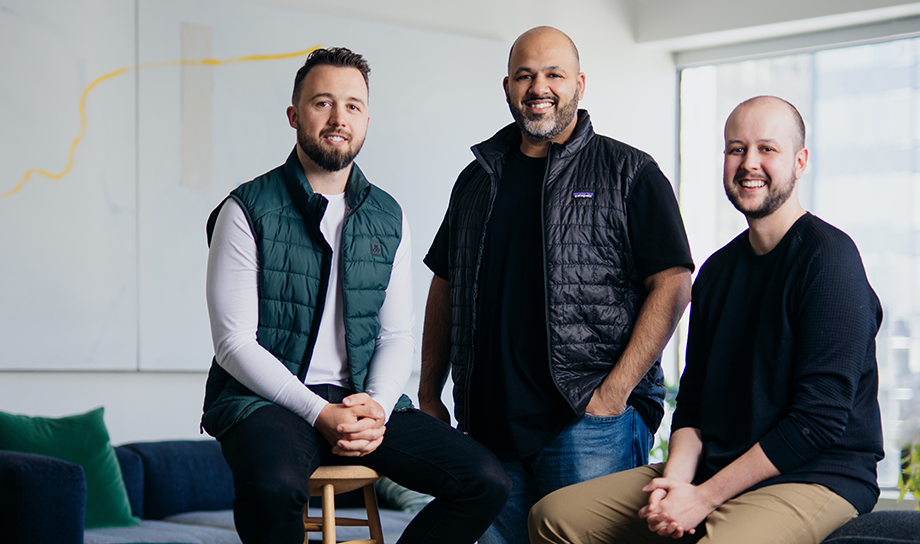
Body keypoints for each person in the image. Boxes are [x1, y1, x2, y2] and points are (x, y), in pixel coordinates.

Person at [529, 96, 884, 544]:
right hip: (717, 466)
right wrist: (676, 484)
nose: (748, 163)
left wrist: (704, 497)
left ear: (800, 161)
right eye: (736, 149)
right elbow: (694, 404)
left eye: (766, 149)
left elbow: (817, 421)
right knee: (554, 515)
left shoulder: (829, 259)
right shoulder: (717, 272)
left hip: (815, 475)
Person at [201, 47, 510, 544]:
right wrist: (320, 414)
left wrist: (378, 408)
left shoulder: (388, 216)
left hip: (361, 397)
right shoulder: (246, 210)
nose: (338, 118)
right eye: (322, 103)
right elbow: (234, 344)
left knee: (486, 482)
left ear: (366, 118)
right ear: (294, 115)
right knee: (273, 488)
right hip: (266, 401)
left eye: (352, 105)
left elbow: (396, 333)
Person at [419, 26, 694, 544]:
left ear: (580, 84)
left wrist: (613, 395)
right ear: (506, 87)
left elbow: (675, 283)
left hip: (588, 427)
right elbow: (445, 283)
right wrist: (429, 392)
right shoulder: (477, 179)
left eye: (553, 74)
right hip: (488, 429)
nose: (538, 87)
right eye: (524, 75)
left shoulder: (628, 171)